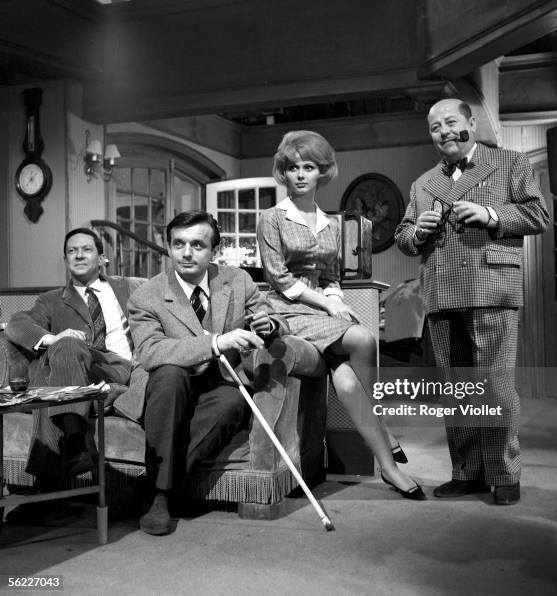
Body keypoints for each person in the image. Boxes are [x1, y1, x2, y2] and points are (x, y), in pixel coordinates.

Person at [395, 99, 549, 505]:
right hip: (443, 293)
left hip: (491, 287)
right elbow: (403, 237)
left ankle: (504, 474)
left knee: (495, 387)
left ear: (471, 122)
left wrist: (490, 213)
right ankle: (467, 472)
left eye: (450, 122)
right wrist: (419, 232)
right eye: (434, 127)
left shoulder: (511, 163)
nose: (443, 132)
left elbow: (538, 215)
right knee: (456, 388)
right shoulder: (423, 183)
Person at [257, 130, 425, 500]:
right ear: (283, 173)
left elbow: (331, 277)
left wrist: (336, 298)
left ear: (322, 173)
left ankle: (389, 469)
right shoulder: (271, 218)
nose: (300, 174)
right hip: (287, 309)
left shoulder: (331, 224)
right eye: (293, 167)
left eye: (309, 167)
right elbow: (278, 278)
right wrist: (328, 303)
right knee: (363, 337)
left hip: (319, 308)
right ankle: (381, 423)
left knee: (349, 383)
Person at [128, 211, 287, 535]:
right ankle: (159, 496)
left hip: (223, 380)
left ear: (213, 249)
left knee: (232, 403)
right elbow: (150, 351)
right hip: (169, 383)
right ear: (169, 247)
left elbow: (276, 318)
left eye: (197, 245)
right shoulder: (147, 294)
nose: (186, 253)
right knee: (170, 374)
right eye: (178, 244)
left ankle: (152, 490)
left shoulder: (236, 279)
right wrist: (216, 341)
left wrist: (267, 325)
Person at [5, 228, 145, 491]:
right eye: (72, 251)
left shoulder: (129, 289)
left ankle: (45, 485)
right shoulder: (51, 300)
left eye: (87, 249)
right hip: (76, 368)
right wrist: (52, 339)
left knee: (48, 380)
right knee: (66, 347)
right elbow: (16, 323)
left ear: (103, 258)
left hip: (120, 366)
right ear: (65, 259)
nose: (78, 255)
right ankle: (74, 443)